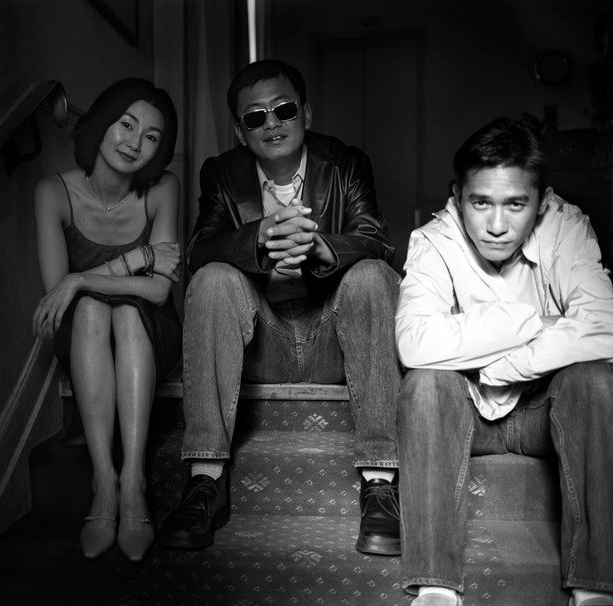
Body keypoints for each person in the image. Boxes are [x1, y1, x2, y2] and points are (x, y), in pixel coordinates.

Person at [157, 59, 402, 554]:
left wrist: (320, 248)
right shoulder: (222, 174)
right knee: (212, 279)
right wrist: (261, 237)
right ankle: (206, 477)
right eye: (255, 117)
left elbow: (374, 239)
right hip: (260, 342)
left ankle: (380, 483)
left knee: (375, 275)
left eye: (284, 109)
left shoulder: (346, 163)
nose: (271, 123)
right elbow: (199, 250)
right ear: (240, 130)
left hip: (334, 335)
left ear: (306, 113)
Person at [395, 117, 613, 606]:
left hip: (545, 413)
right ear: (457, 195)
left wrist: (497, 365)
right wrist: (532, 321)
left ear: (541, 201)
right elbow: (414, 344)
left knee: (597, 380)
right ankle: (434, 586)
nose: (496, 225)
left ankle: (596, 586)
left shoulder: (567, 226)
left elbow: (605, 325)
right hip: (464, 415)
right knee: (427, 383)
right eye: (480, 203)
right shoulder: (433, 240)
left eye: (516, 204)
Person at [32, 78, 182, 562]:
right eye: (126, 124)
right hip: (82, 334)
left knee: (124, 309)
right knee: (94, 306)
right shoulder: (52, 192)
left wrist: (83, 278)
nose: (135, 142)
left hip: (151, 329)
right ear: (101, 123)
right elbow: (60, 295)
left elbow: (160, 290)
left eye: (153, 136)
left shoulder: (163, 188)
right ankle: (103, 480)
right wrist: (132, 263)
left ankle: (133, 479)